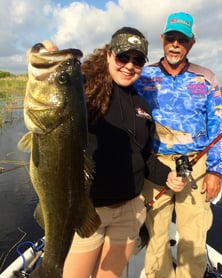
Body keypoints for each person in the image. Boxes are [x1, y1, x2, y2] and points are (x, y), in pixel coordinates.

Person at [59, 27, 187, 278]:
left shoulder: (141, 106)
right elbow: (57, 93)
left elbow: (144, 156)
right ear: (108, 55)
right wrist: (54, 63)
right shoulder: (84, 93)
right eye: (123, 57)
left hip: (129, 211)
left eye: (138, 60)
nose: (130, 66)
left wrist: (168, 177)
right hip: (88, 210)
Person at [134, 12, 222, 278]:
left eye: (182, 40)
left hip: (196, 166)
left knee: (194, 236)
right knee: (155, 233)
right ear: (162, 39)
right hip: (154, 166)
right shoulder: (143, 76)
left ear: (192, 44)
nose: (175, 44)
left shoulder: (206, 78)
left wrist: (215, 171)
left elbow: (217, 128)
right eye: (171, 38)